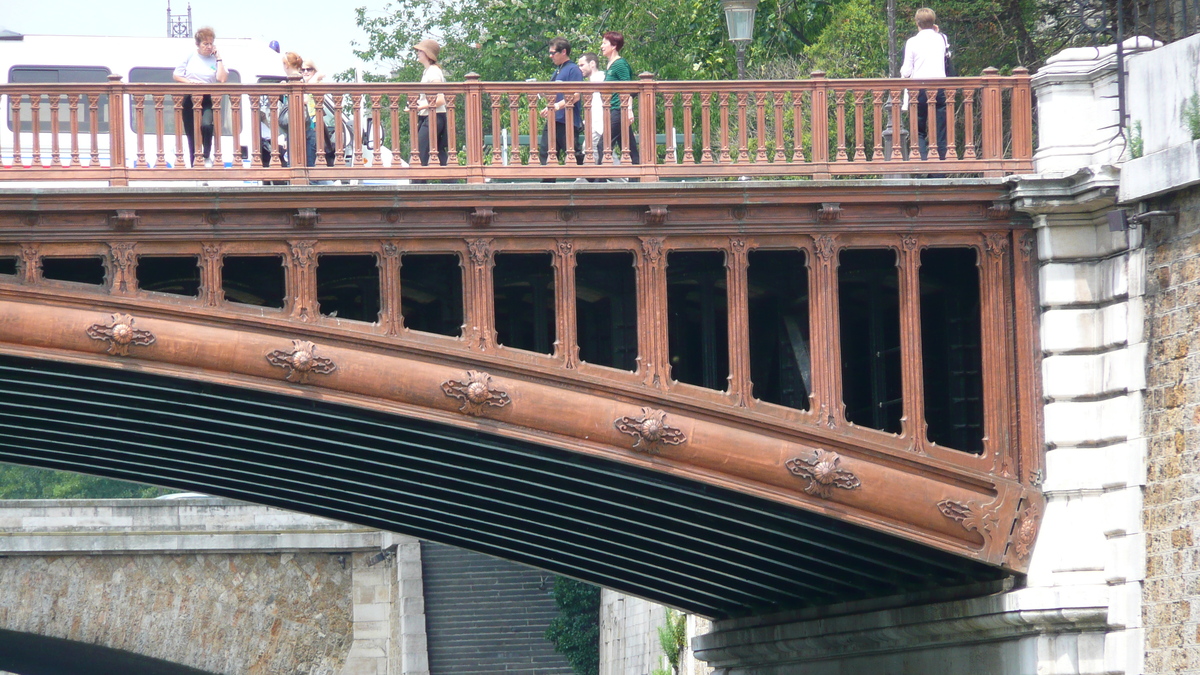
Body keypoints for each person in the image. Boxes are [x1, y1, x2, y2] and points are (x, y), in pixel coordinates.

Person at [173, 26, 227, 167]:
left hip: (208, 98)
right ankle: (194, 167)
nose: (209, 47)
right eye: (205, 44)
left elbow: (221, 79)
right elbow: (177, 75)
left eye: (211, 43)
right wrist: (190, 83)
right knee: (192, 135)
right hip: (190, 99)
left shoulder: (214, 59)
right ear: (198, 44)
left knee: (207, 125)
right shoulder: (190, 56)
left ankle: (206, 154)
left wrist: (219, 58)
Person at [900, 7, 948, 161]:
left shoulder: (912, 42)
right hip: (940, 89)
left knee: (919, 130)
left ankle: (921, 165)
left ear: (917, 23)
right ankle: (939, 171)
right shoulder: (942, 38)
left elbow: (906, 71)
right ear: (933, 23)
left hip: (919, 90)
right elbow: (947, 56)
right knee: (940, 130)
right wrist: (936, 31)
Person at [538, 37, 585, 182]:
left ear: (563, 52)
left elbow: (576, 95)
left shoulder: (573, 69)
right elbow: (555, 96)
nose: (550, 56)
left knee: (574, 155)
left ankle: (598, 182)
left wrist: (558, 106)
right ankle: (547, 191)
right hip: (554, 119)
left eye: (553, 53)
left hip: (567, 120)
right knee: (546, 153)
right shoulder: (557, 71)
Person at [600, 31, 639, 178]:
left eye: (605, 43)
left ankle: (598, 182)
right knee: (628, 146)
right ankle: (637, 179)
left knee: (603, 145)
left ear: (614, 45)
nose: (602, 46)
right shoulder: (610, 65)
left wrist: (629, 110)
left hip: (619, 110)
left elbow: (628, 88)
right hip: (613, 110)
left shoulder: (620, 64)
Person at [411, 39, 448, 181]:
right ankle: (452, 183)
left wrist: (419, 106)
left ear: (428, 54)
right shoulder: (428, 71)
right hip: (431, 117)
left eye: (420, 51)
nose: (418, 53)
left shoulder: (433, 72)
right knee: (437, 152)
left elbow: (440, 99)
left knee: (420, 152)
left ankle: (417, 186)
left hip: (434, 117)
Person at [577, 52, 609, 176]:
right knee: (598, 153)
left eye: (582, 65)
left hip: (600, 125)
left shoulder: (602, 78)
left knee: (592, 151)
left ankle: (625, 181)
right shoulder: (591, 81)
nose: (579, 69)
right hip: (595, 125)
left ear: (592, 64)